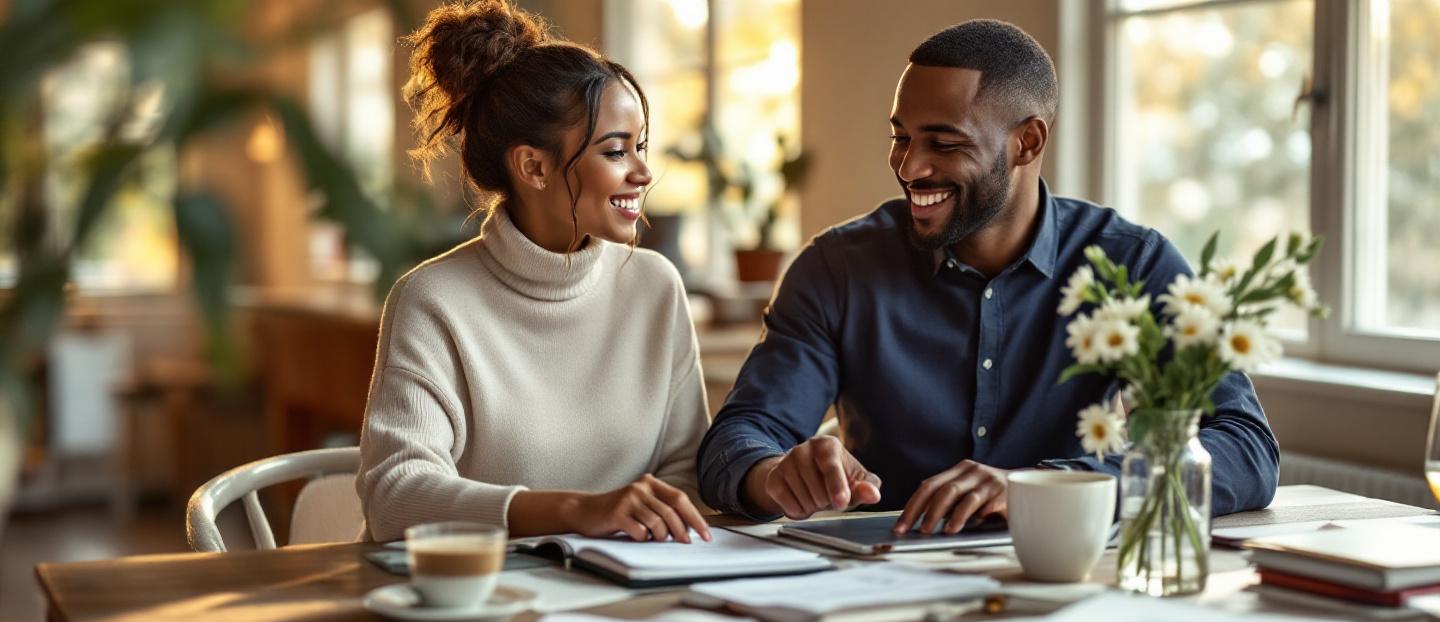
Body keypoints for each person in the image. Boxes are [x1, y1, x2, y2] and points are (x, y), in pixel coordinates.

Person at [697, 19, 1278, 534]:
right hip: (887, 577)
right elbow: (737, 439)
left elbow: (1244, 448)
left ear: (1027, 142)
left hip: (1070, 574)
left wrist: (1051, 488)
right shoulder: (836, 268)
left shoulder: (1132, 265)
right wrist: (773, 475)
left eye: (944, 144)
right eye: (901, 138)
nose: (909, 167)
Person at [358, 0, 711, 544]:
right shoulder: (432, 299)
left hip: (620, 588)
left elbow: (686, 477)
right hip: (471, 596)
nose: (643, 172)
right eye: (617, 151)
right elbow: (395, 494)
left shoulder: (655, 286)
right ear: (533, 167)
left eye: (640, 147)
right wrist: (573, 510)